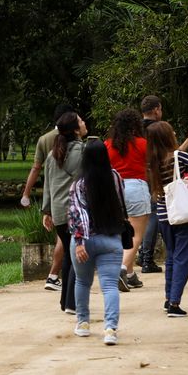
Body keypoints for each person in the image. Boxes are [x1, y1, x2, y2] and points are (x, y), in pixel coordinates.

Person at [145, 120, 188, 317]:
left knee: (172, 257)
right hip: (184, 215)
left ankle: (169, 298)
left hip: (165, 215)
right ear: (167, 137)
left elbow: (175, 156)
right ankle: (175, 303)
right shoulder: (177, 157)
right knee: (183, 258)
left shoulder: (152, 161)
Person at [67, 140, 128, 345]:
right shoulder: (116, 178)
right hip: (111, 239)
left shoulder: (79, 184)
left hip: (85, 240)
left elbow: (78, 214)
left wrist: (80, 242)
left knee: (83, 282)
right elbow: (121, 204)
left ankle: (83, 324)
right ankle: (110, 329)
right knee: (110, 286)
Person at [20, 104, 75, 291]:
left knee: (63, 237)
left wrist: (27, 193)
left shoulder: (44, 140)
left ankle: (59, 278)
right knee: (65, 239)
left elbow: (36, 168)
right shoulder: (75, 141)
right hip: (70, 196)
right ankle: (53, 276)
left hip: (53, 194)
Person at [40, 111, 86, 315]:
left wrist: (46, 211)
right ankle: (71, 303)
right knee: (76, 256)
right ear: (76, 130)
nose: (84, 123)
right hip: (75, 212)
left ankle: (65, 301)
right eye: (81, 121)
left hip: (58, 213)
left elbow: (48, 185)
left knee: (69, 253)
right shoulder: (82, 151)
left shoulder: (52, 154)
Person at [106, 108, 149, 290]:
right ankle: (122, 270)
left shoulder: (108, 144)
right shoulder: (142, 143)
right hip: (137, 187)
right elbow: (151, 164)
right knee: (136, 235)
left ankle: (130, 275)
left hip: (115, 189)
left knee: (122, 233)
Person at [136, 95, 165, 274]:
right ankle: (147, 258)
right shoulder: (157, 129)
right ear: (155, 110)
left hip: (136, 174)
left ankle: (141, 255)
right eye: (160, 109)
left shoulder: (135, 128)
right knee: (153, 214)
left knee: (141, 216)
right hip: (152, 174)